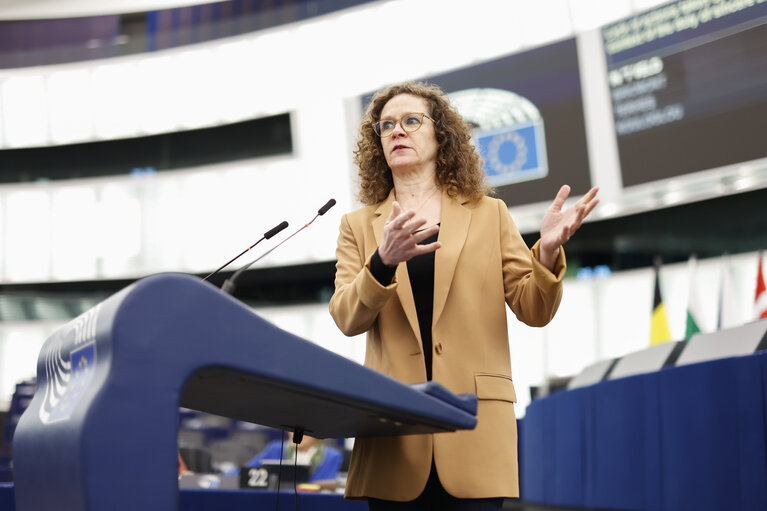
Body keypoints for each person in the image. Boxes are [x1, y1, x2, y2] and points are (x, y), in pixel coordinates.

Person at [329, 81, 598, 510]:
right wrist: (381, 263)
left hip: (475, 427)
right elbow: (346, 318)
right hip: (394, 434)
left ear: (441, 135)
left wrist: (546, 252)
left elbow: (534, 309)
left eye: (411, 121)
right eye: (386, 126)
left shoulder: (489, 213)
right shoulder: (358, 225)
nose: (397, 131)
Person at [239, 432, 343, 490]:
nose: (295, 434)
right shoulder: (275, 448)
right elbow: (245, 470)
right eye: (292, 430)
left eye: (305, 431)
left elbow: (329, 483)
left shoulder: (332, 455)